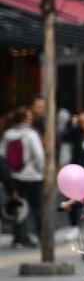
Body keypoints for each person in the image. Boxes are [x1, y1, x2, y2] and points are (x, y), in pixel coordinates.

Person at [3, 106, 44, 247]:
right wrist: (40, 171)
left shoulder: (8, 134)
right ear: (27, 119)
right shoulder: (31, 134)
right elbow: (39, 155)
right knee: (37, 207)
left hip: (14, 176)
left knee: (18, 207)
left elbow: (2, 156)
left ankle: (19, 238)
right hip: (32, 176)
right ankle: (41, 235)